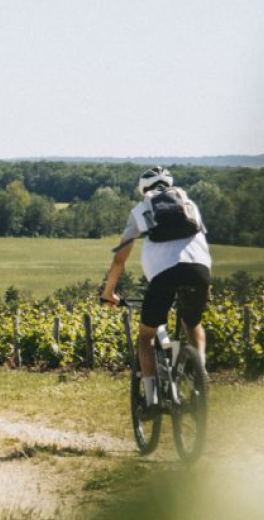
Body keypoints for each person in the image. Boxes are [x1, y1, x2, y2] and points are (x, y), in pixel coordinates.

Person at [100, 166, 211, 418]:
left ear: (144, 189)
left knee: (146, 337)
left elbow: (120, 258)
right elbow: (201, 243)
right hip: (200, 271)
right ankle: (199, 378)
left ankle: (151, 401)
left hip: (164, 275)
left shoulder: (141, 210)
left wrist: (109, 292)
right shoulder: (189, 204)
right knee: (193, 323)